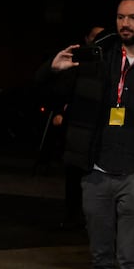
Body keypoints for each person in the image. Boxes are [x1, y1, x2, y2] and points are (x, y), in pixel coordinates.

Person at [38, 0, 134, 269]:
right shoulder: (99, 60)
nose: (125, 24)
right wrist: (52, 71)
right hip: (98, 173)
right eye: (121, 17)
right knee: (101, 256)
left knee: (130, 259)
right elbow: (53, 98)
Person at [38, 24, 109, 229]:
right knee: (75, 180)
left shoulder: (112, 68)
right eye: (95, 38)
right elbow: (57, 90)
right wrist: (60, 110)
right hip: (78, 134)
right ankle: (72, 217)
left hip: (99, 139)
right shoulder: (78, 67)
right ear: (87, 39)